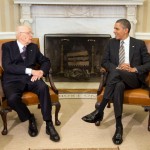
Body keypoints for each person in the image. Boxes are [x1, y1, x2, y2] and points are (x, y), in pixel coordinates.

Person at [82, 19, 150, 145]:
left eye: (117, 29)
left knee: (116, 75)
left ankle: (99, 110)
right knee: (118, 85)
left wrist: (133, 68)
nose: (114, 31)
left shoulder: (139, 44)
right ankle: (119, 127)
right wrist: (118, 68)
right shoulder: (111, 43)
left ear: (126, 30)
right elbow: (104, 62)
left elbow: (148, 63)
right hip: (117, 77)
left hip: (133, 78)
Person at [2, 25, 60, 142]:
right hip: (13, 80)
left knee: (43, 87)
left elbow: (46, 61)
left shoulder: (33, 47)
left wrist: (41, 72)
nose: (31, 35)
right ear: (20, 35)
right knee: (12, 99)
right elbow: (8, 67)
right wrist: (31, 71)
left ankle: (49, 123)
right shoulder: (7, 46)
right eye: (29, 33)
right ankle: (30, 117)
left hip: (31, 79)